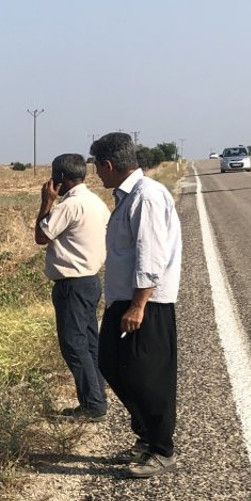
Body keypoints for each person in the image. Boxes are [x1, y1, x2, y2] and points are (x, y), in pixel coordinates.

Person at [90, 131, 183, 478]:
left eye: (98, 168)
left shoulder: (147, 197)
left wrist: (138, 305)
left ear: (109, 164)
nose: (97, 175)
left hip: (145, 302)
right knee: (112, 365)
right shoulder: (128, 197)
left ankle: (161, 449)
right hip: (124, 299)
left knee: (149, 378)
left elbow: (151, 255)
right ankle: (145, 437)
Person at [35, 153, 111, 421]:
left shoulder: (69, 205)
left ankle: (93, 404)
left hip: (72, 284)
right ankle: (97, 396)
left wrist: (47, 202)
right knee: (90, 343)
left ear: (60, 178)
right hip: (91, 280)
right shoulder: (96, 202)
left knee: (73, 344)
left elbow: (41, 236)